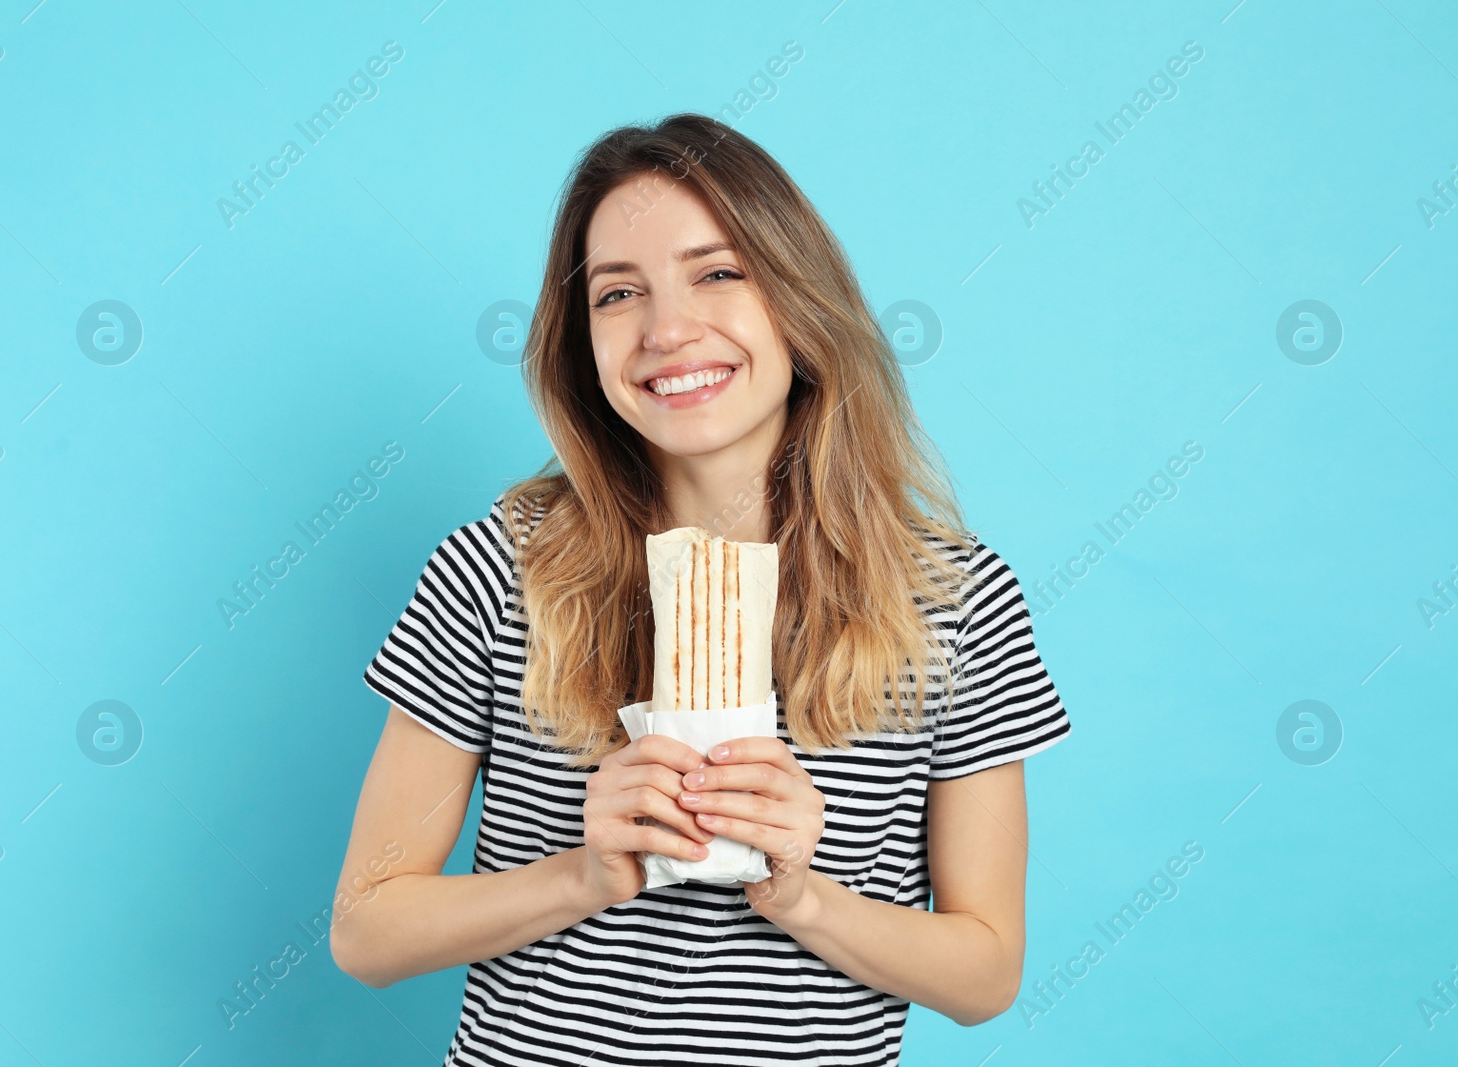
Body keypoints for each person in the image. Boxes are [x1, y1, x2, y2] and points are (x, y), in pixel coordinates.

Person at [330, 112, 1072, 1066]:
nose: (668, 330)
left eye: (718, 273)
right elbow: (365, 928)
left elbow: (985, 974)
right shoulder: (499, 570)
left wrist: (803, 895)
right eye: (617, 293)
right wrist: (586, 876)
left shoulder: (952, 596)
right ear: (581, 339)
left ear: (798, 299)